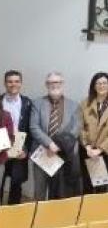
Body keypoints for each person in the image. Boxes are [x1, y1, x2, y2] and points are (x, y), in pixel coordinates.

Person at [29, 72, 82, 200]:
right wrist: (49, 144)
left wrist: (58, 145)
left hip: (63, 154)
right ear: (46, 85)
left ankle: (55, 218)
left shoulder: (74, 105)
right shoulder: (37, 103)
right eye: (51, 82)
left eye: (57, 82)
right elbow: (34, 127)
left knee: (59, 191)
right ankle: (38, 218)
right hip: (42, 153)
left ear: (62, 84)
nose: (54, 85)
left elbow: (76, 129)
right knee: (39, 191)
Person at [0, 70, 33, 205]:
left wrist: (26, 149)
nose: (13, 84)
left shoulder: (28, 103)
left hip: (19, 150)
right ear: (5, 83)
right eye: (10, 81)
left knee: (16, 183)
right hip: (0, 149)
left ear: (21, 83)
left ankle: (12, 214)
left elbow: (31, 128)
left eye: (16, 81)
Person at [80, 72, 108, 194]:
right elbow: (80, 127)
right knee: (88, 186)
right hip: (88, 152)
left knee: (103, 188)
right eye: (98, 83)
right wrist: (87, 147)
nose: (101, 86)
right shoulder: (84, 103)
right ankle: (89, 213)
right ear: (93, 86)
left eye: (104, 83)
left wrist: (100, 149)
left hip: (105, 152)